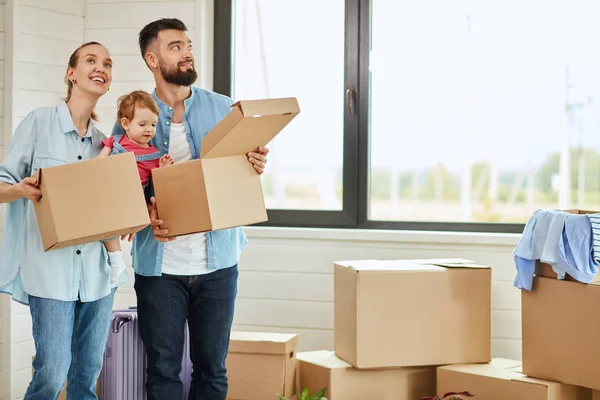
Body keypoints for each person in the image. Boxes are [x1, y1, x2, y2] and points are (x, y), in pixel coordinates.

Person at [111, 18, 268, 400]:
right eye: (175, 47)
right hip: (160, 268)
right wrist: (144, 211)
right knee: (162, 372)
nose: (187, 53)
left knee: (212, 371)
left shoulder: (223, 109)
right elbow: (118, 195)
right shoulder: (132, 120)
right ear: (152, 58)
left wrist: (257, 160)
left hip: (218, 263)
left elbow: (240, 170)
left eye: (189, 45)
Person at [0, 41, 127, 400]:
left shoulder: (106, 145)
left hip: (98, 277)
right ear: (71, 73)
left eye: (107, 62)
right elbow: (2, 184)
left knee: (86, 378)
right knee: (52, 375)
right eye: (91, 60)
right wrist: (22, 191)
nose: (100, 67)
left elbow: (110, 209)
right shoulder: (39, 123)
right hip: (50, 274)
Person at [98, 90, 173, 283]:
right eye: (142, 124)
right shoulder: (114, 142)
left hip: (133, 198)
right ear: (125, 124)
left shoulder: (155, 155)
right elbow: (96, 165)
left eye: (153, 124)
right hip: (109, 190)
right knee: (104, 221)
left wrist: (164, 167)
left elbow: (158, 182)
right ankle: (116, 261)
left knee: (112, 221)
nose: (149, 129)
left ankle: (116, 261)